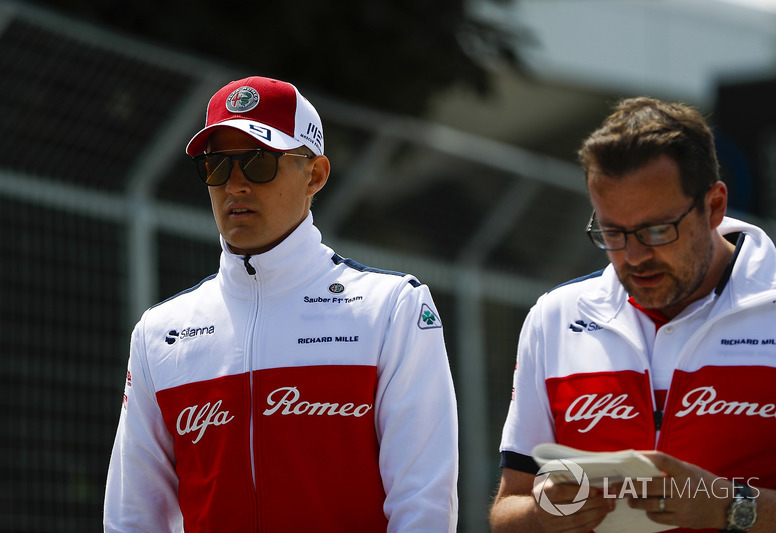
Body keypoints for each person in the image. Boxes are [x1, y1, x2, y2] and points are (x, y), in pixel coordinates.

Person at [104, 75, 458, 532]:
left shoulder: (390, 308)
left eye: (257, 162)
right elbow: (133, 515)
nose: (234, 185)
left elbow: (423, 502)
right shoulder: (159, 331)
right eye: (216, 165)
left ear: (315, 175)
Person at [489, 97, 776, 533]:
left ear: (714, 207)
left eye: (657, 230)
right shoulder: (556, 317)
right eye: (612, 232)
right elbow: (507, 510)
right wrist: (542, 516)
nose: (634, 256)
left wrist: (727, 506)